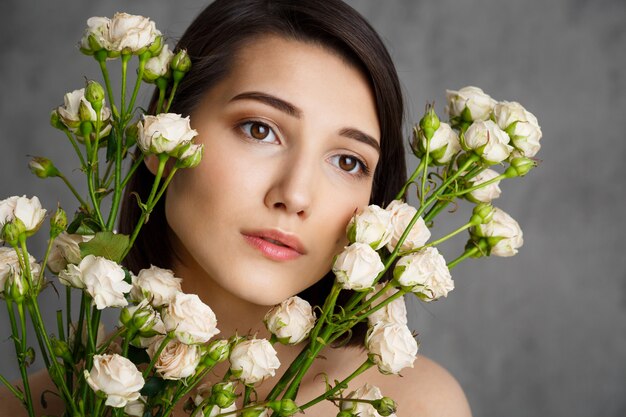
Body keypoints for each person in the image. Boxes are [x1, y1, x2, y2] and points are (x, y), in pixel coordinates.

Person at [1, 1, 472, 415]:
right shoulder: (26, 405)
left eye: (347, 161)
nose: (295, 195)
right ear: (163, 134)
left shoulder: (411, 406)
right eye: (260, 130)